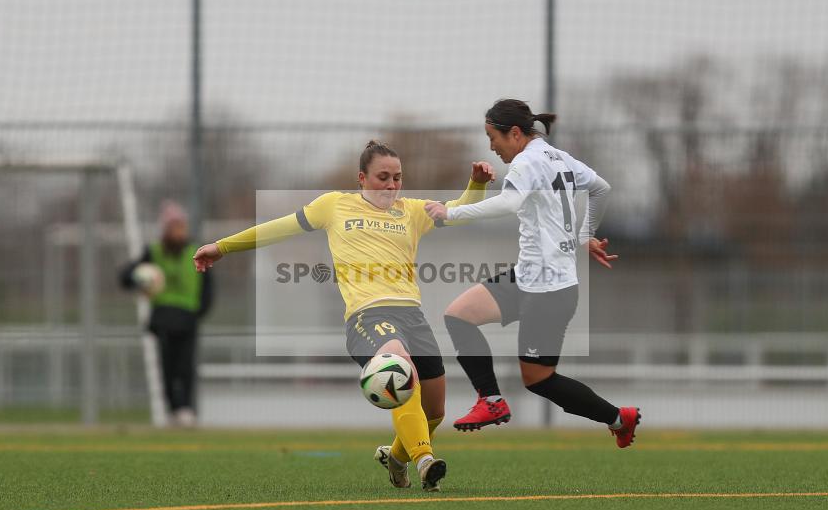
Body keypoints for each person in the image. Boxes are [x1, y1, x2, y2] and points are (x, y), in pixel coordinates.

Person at [192, 140, 494, 490]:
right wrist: (223, 246)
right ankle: (426, 461)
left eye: (397, 178)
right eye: (383, 177)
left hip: (413, 316)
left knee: (435, 411)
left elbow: (459, 212)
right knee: (398, 364)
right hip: (367, 317)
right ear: (362, 178)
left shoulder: (411, 211)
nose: (392, 186)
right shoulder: (334, 205)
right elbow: (279, 227)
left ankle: (396, 459)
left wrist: (477, 183)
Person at [424, 99, 641, 447]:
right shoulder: (558, 156)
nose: (490, 146)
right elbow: (602, 187)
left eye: (492, 137)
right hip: (531, 277)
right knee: (458, 316)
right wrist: (584, 235)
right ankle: (491, 401)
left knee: (539, 379)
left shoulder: (527, 162)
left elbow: (509, 204)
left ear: (513, 132)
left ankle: (619, 418)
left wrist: (450, 214)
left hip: (549, 290)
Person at [120, 200, 214, 427]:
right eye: (173, 226)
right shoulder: (153, 252)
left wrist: (200, 311)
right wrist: (138, 278)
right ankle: (174, 409)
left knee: (186, 365)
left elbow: (208, 285)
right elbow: (126, 277)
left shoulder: (195, 250)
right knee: (168, 366)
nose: (178, 231)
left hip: (187, 317)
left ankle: (186, 409)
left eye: (181, 226)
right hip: (163, 316)